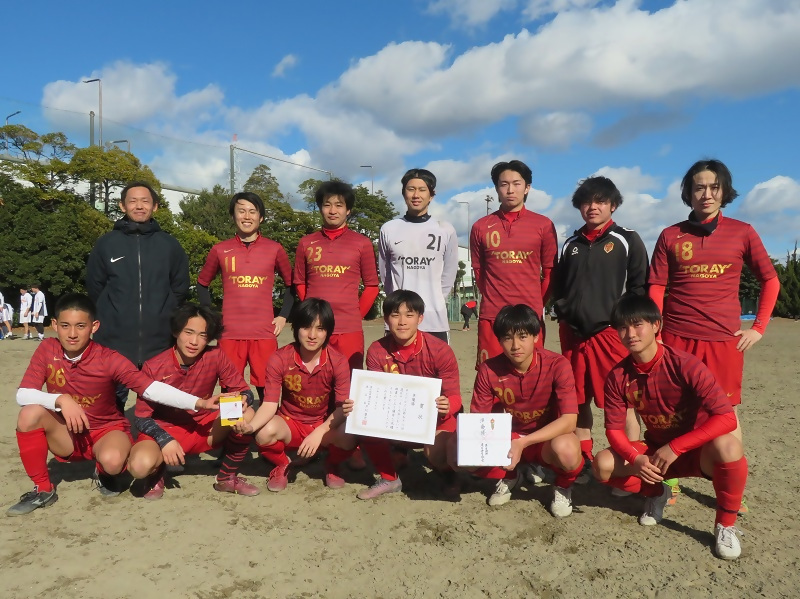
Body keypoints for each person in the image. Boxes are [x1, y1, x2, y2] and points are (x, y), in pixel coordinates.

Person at [7, 293, 219, 516]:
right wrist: (60, 399)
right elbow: (23, 394)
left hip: (105, 431)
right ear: (54, 325)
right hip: (65, 433)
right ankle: (43, 489)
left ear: (94, 327)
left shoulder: (109, 358)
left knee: (113, 462)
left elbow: (150, 388)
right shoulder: (47, 348)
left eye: (80, 326)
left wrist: (199, 402)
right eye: (65, 325)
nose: (72, 334)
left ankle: (102, 470)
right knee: (29, 413)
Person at [648, 159, 779, 505]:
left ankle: (730, 487)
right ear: (688, 193)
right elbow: (656, 287)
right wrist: (656, 332)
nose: (706, 194)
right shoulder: (670, 235)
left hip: (723, 342)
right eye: (699, 187)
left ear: (724, 191)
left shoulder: (743, 232)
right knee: (674, 412)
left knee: (726, 415)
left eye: (714, 187)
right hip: (676, 339)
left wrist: (758, 328)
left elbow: (770, 280)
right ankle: (670, 479)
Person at [593, 295, 747, 560]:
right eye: (623, 328)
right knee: (601, 464)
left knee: (730, 446)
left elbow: (726, 418)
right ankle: (657, 493)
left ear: (656, 325)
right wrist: (636, 459)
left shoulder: (685, 364)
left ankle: (725, 525)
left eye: (637, 325)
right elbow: (614, 431)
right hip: (657, 453)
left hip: (697, 450)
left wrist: (676, 447)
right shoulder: (618, 376)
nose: (630, 334)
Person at [552, 176, 648, 477]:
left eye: (600, 201)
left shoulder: (627, 239)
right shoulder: (570, 243)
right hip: (573, 336)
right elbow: (559, 285)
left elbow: (639, 289)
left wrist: (623, 324)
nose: (592, 207)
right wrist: (563, 310)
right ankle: (583, 462)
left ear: (613, 205)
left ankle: (630, 466)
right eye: (586, 202)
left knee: (622, 403)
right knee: (577, 402)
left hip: (610, 335)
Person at [128, 303, 260, 499]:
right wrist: (165, 440)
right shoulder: (154, 366)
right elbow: (141, 418)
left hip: (202, 426)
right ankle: (157, 473)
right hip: (166, 429)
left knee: (246, 413)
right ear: (176, 332)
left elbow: (244, 390)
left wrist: (243, 399)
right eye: (188, 332)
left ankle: (226, 477)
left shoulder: (215, 355)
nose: (194, 341)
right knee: (139, 467)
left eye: (203, 335)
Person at [466, 304, 583, 516]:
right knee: (462, 450)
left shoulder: (557, 364)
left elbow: (569, 421)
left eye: (522, 336)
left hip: (546, 440)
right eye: (507, 338)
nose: (515, 345)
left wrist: (523, 442)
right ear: (499, 340)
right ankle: (511, 476)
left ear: (536, 336)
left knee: (567, 450)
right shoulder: (488, 369)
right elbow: (479, 420)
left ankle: (563, 486)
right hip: (511, 438)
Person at [234, 298, 357, 491]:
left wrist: (319, 432)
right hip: (290, 423)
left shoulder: (338, 361)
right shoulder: (279, 358)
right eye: (306, 327)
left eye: (320, 329)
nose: (312, 335)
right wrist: (250, 427)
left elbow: (342, 409)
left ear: (328, 332)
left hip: (323, 424)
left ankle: (332, 465)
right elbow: (269, 404)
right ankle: (283, 464)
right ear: (296, 328)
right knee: (263, 432)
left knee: (350, 434)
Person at [86, 181, 190, 411]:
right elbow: (95, 287)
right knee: (109, 409)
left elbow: (180, 287)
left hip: (160, 345)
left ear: (155, 206)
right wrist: (111, 316)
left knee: (161, 410)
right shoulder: (106, 244)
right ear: (123, 206)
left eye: (145, 201)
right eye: (133, 201)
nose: (139, 206)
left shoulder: (170, 245)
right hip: (113, 345)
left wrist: (164, 313)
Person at [350, 290, 462, 500]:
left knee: (437, 452)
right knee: (362, 422)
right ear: (386, 319)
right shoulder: (376, 350)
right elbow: (377, 395)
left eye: (409, 315)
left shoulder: (440, 350)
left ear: (420, 318)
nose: (402, 322)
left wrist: (448, 405)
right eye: (395, 315)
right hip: (397, 418)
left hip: (435, 418)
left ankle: (448, 474)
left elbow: (455, 397)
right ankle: (389, 477)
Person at [198, 191, 293, 401]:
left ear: (261, 217)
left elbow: (291, 284)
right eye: (241, 211)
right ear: (233, 215)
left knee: (267, 386)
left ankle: (266, 423)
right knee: (230, 388)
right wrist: (211, 316)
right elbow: (202, 284)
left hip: (264, 332)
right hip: (230, 333)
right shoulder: (220, 249)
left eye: (252, 211)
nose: (247, 216)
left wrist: (283, 315)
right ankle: (233, 424)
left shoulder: (275, 249)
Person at [470, 160, 558, 367]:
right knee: (491, 376)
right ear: (496, 188)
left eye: (517, 184)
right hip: (492, 316)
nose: (510, 190)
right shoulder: (480, 227)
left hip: (530, 316)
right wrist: (494, 298)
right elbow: (479, 273)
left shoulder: (543, 225)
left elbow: (550, 273)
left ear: (527, 187)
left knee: (532, 376)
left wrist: (536, 304)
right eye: (504, 184)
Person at [293, 181, 380, 370]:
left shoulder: (362, 243)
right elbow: (299, 282)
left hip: (349, 330)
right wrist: (312, 312)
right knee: (314, 378)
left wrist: (355, 316)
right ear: (320, 208)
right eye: (327, 205)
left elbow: (372, 287)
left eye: (339, 205)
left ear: (348, 210)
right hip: (315, 328)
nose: (332, 211)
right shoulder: (306, 243)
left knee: (348, 379)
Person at [378, 169, 458, 343]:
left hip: (434, 321)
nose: (416, 195)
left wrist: (435, 300)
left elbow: (449, 274)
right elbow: (386, 275)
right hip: (398, 322)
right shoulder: (389, 229)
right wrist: (397, 306)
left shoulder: (445, 229)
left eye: (422, 190)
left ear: (431, 195)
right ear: (403, 193)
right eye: (411, 189)